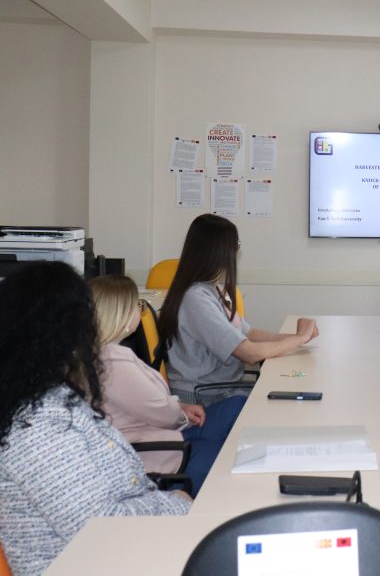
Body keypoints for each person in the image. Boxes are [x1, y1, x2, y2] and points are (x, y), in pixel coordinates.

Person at [0, 262, 191, 576]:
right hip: (92, 562)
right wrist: (176, 504)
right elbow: (98, 529)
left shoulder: (51, 394)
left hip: (114, 554)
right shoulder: (36, 427)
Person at [89, 275, 243, 495]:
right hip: (156, 449)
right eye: (138, 306)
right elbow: (163, 413)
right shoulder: (114, 362)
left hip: (159, 431)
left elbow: (148, 404)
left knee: (238, 407)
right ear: (121, 315)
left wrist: (180, 407)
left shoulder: (101, 354)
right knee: (227, 452)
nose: (140, 311)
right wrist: (181, 413)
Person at [159, 213, 319, 406]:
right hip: (204, 399)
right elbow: (249, 353)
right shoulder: (196, 299)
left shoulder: (212, 289)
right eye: (236, 244)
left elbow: (248, 333)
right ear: (220, 251)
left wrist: (296, 338)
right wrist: (299, 338)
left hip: (222, 390)